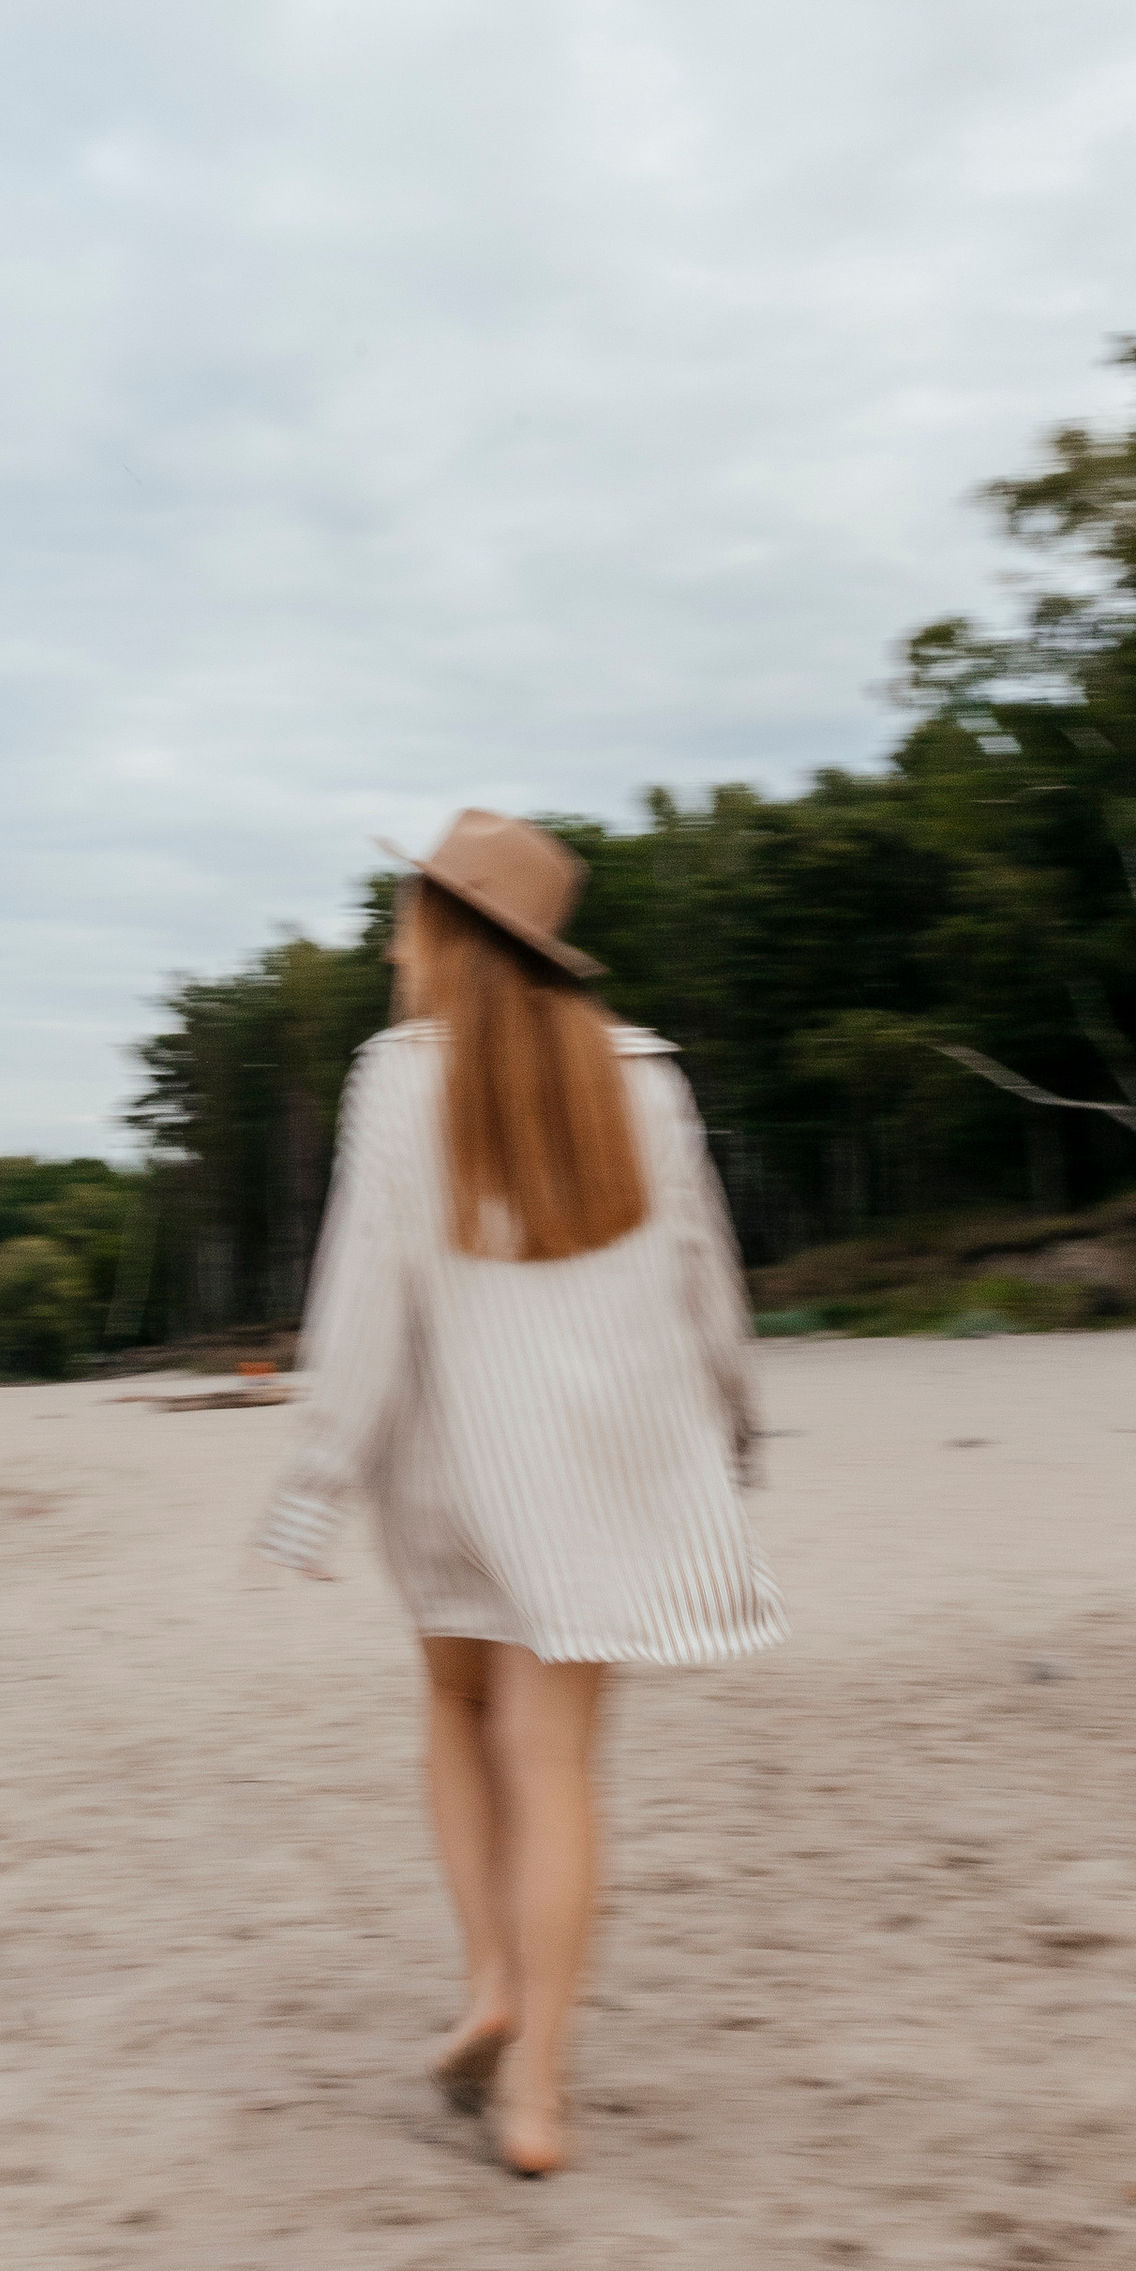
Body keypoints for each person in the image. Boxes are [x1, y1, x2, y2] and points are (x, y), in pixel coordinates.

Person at [258, 809, 782, 2175]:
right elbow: (705, 1272)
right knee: (557, 1764)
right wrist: (734, 1422)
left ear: (448, 929)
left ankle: (488, 1975)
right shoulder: (643, 1077)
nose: (393, 945)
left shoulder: (399, 1078)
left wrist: (316, 1480)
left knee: (455, 1706)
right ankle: (538, 2094)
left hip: (453, 1457)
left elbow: (364, 1297)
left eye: (407, 917)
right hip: (609, 1464)